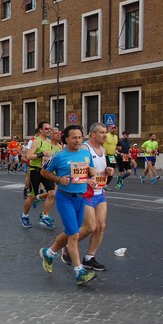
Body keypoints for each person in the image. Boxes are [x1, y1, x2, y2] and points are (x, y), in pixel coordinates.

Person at [38, 125, 97, 286]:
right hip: (65, 198)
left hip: (81, 198)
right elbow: (44, 172)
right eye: (74, 137)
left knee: (72, 231)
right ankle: (79, 271)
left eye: (80, 137)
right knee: (74, 235)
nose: (78, 140)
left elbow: (88, 171)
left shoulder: (86, 153)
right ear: (66, 138)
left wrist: (91, 175)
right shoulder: (59, 156)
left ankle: (49, 253)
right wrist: (58, 179)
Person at [60, 122, 115, 272]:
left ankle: (89, 258)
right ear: (93, 134)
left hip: (100, 192)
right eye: (102, 132)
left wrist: (108, 171)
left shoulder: (102, 149)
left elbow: (99, 170)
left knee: (101, 226)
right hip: (86, 193)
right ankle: (69, 245)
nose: (105, 135)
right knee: (90, 227)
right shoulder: (84, 148)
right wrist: (87, 178)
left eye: (105, 132)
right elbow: (76, 169)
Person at [21, 122, 60, 229]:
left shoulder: (49, 142)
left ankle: (45, 216)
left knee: (52, 193)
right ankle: (24, 216)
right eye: (46, 128)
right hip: (36, 171)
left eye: (49, 128)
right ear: (40, 130)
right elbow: (29, 156)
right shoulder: (36, 141)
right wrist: (41, 154)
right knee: (32, 195)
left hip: (46, 171)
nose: (48, 130)